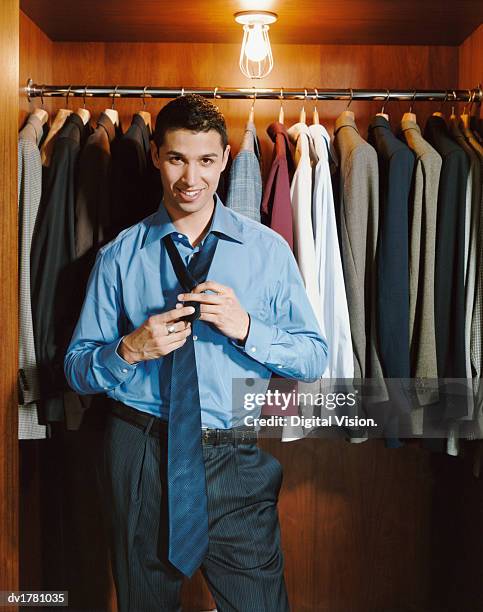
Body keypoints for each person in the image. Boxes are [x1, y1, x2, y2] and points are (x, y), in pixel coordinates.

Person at [64, 94, 327, 612]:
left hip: (234, 456)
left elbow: (314, 357)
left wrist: (248, 327)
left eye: (206, 160)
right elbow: (76, 369)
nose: (192, 178)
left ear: (226, 159)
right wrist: (128, 349)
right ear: (158, 156)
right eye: (178, 159)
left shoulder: (268, 252)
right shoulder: (120, 256)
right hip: (140, 451)